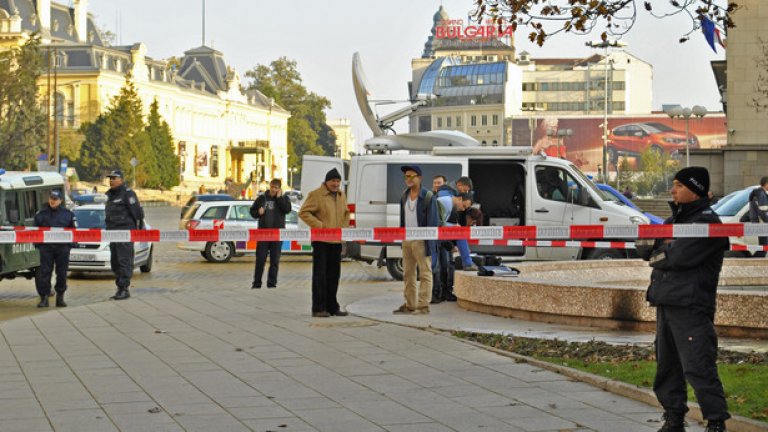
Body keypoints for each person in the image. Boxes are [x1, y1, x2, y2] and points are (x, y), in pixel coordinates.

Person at [636, 167, 730, 432]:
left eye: (678, 185)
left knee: (698, 365)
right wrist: (663, 248)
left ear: (695, 189)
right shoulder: (676, 221)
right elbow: (643, 247)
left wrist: (661, 251)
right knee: (667, 368)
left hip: (690, 305)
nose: (672, 190)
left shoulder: (707, 223)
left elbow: (677, 258)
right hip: (666, 301)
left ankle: (715, 421)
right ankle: (674, 417)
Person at [299, 168, 350, 317]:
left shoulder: (342, 195)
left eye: (338, 181)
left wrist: (344, 228)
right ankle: (319, 308)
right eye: (333, 181)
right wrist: (320, 226)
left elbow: (346, 213)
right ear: (327, 182)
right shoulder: (316, 195)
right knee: (320, 275)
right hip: (321, 240)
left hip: (336, 241)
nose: (335, 184)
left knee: (334, 275)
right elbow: (303, 213)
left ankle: (332, 306)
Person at [394, 165, 438, 315]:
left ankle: (423, 305)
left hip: (422, 241)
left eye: (412, 176)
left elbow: (433, 223)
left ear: (420, 178)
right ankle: (410, 304)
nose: (408, 179)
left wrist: (429, 243)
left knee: (425, 273)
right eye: (406, 176)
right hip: (407, 240)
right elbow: (402, 219)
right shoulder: (404, 195)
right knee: (408, 273)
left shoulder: (428, 196)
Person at [105, 170, 145, 301]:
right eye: (110, 178)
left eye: (114, 178)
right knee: (115, 262)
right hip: (112, 233)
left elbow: (137, 213)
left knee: (124, 261)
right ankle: (119, 288)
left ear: (121, 179)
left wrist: (138, 229)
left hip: (125, 233)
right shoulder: (110, 195)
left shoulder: (128, 194)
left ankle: (124, 289)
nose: (111, 180)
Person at [33, 190, 75, 308]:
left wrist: (70, 245)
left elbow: (74, 231)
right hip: (46, 248)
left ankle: (60, 297)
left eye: (55, 199)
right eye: (51, 198)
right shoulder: (41, 213)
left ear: (60, 201)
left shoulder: (67, 214)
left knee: (62, 273)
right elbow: (35, 230)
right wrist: (38, 244)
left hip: (62, 248)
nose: (52, 201)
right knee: (45, 273)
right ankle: (44, 298)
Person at [432, 190, 473, 304]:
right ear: (459, 199)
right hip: (432, 236)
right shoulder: (444, 202)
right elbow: (438, 223)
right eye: (464, 206)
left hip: (435, 236)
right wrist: (454, 227)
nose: (463, 209)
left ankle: (436, 294)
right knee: (434, 266)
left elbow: (441, 224)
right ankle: (468, 262)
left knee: (437, 266)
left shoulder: (448, 203)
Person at [250, 178, 292, 289]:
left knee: (274, 261)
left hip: (277, 235)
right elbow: (252, 211)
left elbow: (287, 209)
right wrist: (258, 212)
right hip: (263, 234)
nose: (273, 189)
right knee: (260, 259)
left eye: (276, 188)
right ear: (270, 186)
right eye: (272, 187)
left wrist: (279, 198)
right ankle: (257, 283)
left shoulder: (284, 198)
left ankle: (272, 283)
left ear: (279, 189)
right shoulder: (262, 198)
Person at [455, 177, 479, 271]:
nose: (458, 187)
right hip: (457, 226)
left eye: (460, 185)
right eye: (458, 185)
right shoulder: (462, 196)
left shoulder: (466, 196)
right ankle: (467, 263)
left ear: (467, 186)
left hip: (458, 226)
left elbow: (465, 213)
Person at [748, 176, 768, 258]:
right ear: (766, 184)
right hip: (762, 223)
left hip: (758, 222)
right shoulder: (761, 194)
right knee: (764, 247)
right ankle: (754, 261)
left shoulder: (756, 193)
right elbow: (763, 210)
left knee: (763, 247)